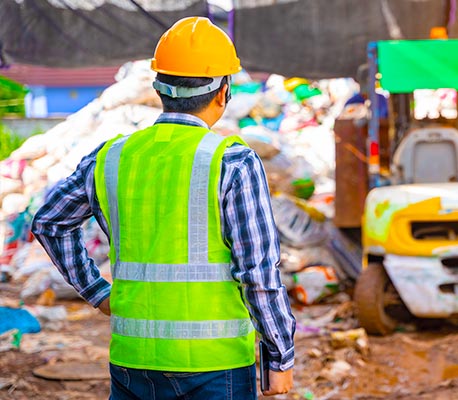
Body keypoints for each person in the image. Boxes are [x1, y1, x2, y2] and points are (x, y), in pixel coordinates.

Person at [31, 17, 295, 399]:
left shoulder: (111, 157)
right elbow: (258, 273)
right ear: (223, 91)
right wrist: (279, 358)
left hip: (132, 362)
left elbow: (50, 222)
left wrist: (97, 293)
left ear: (159, 88)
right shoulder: (233, 162)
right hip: (214, 367)